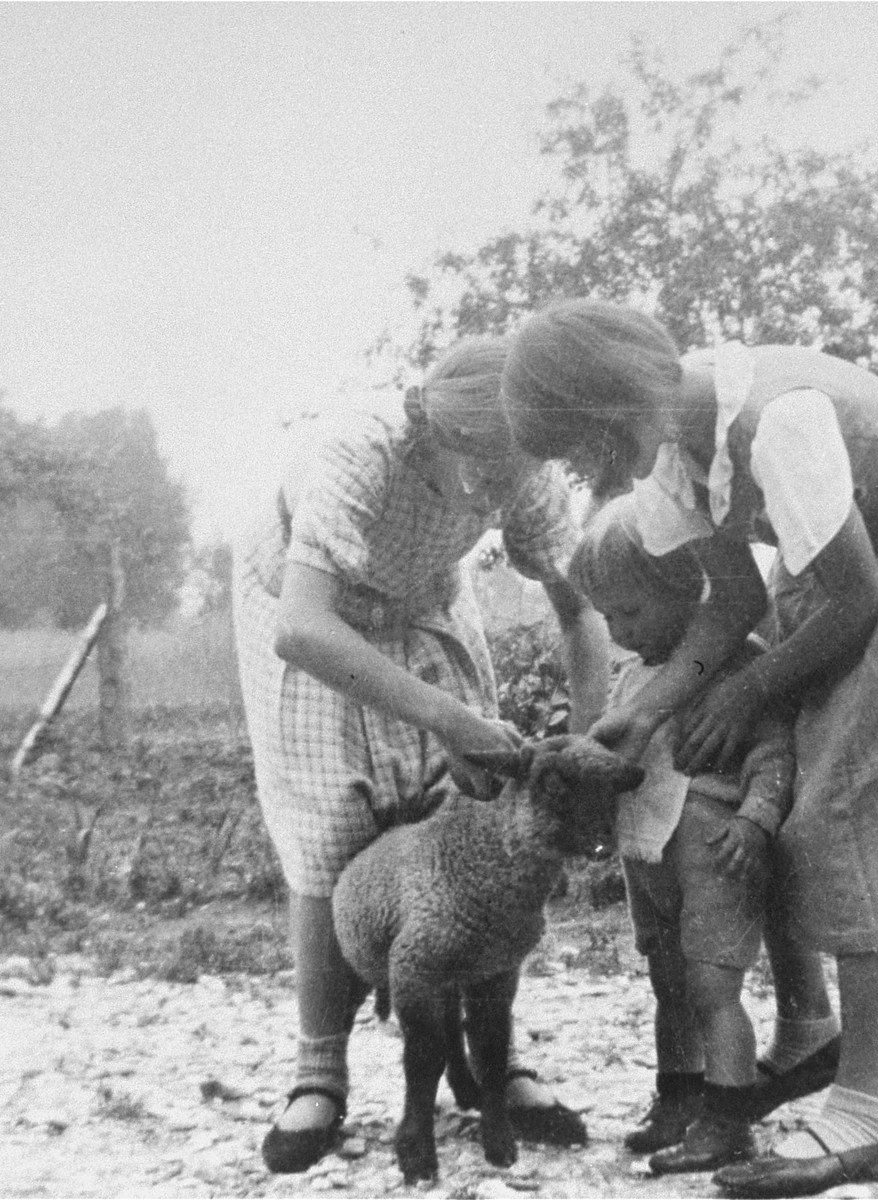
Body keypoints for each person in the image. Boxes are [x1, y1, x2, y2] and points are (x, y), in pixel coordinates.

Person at [502, 300, 878, 1198]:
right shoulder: (677, 453)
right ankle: (807, 1040)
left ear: (613, 399)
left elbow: (856, 597)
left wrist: (749, 688)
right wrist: (654, 710)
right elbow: (732, 599)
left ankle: (867, 1114)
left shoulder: (777, 422)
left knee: (849, 800)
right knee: (797, 793)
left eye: (577, 445)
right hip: (838, 564)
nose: (583, 471)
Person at [232, 336, 609, 1174]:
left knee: (470, 802)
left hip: (423, 602)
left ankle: (493, 1060)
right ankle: (319, 1072)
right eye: (471, 468)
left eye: (507, 473)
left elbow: (582, 615)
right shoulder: (356, 454)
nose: (487, 492)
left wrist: (581, 742)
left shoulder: (528, 470)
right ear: (426, 431)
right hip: (308, 616)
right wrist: (446, 715)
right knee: (332, 820)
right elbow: (303, 628)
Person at [568, 495, 833, 1176]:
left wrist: (754, 819)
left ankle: (729, 1120)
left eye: (629, 611)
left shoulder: (732, 662)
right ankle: (678, 1096)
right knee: (668, 984)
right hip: (649, 857)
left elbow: (772, 754)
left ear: (685, 587)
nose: (619, 632)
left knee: (714, 989)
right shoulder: (633, 675)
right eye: (606, 618)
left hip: (713, 854)